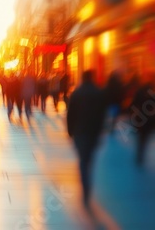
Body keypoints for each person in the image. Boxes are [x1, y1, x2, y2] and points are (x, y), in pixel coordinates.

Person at [67, 70, 106, 208]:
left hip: (80, 131)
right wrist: (101, 130)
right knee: (89, 159)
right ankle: (87, 185)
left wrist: (70, 131)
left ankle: (85, 188)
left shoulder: (76, 93)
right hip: (93, 132)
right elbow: (103, 114)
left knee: (83, 160)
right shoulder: (99, 93)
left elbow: (70, 114)